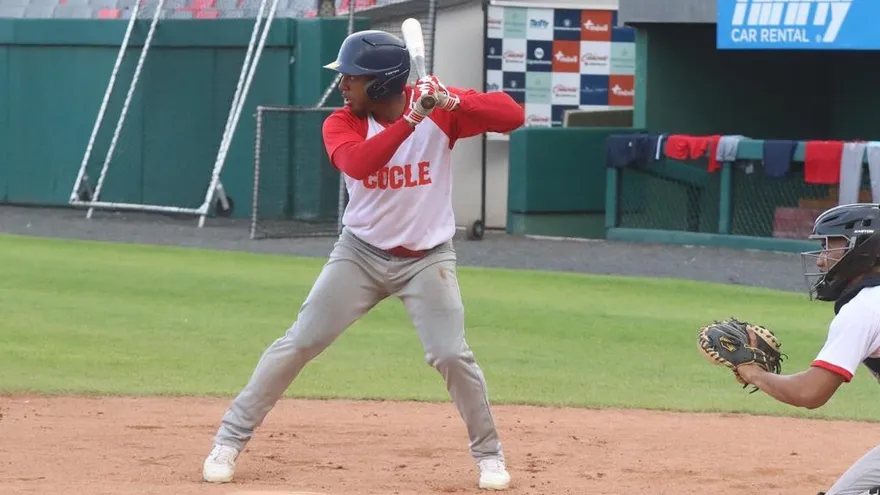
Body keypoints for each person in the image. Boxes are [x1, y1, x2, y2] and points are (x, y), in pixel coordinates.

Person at [201, 29, 525, 491]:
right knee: (300, 341)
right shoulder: (344, 122)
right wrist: (413, 118)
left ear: (380, 84)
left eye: (352, 78)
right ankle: (228, 441)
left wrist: (450, 101)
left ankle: (489, 456)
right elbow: (359, 165)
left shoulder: (438, 111)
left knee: (451, 354)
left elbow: (512, 115)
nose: (342, 85)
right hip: (360, 254)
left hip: (426, 259)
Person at [735, 202, 880, 495]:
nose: (820, 260)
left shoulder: (865, 308)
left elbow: (810, 393)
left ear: (862, 247)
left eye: (829, 246)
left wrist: (754, 373)